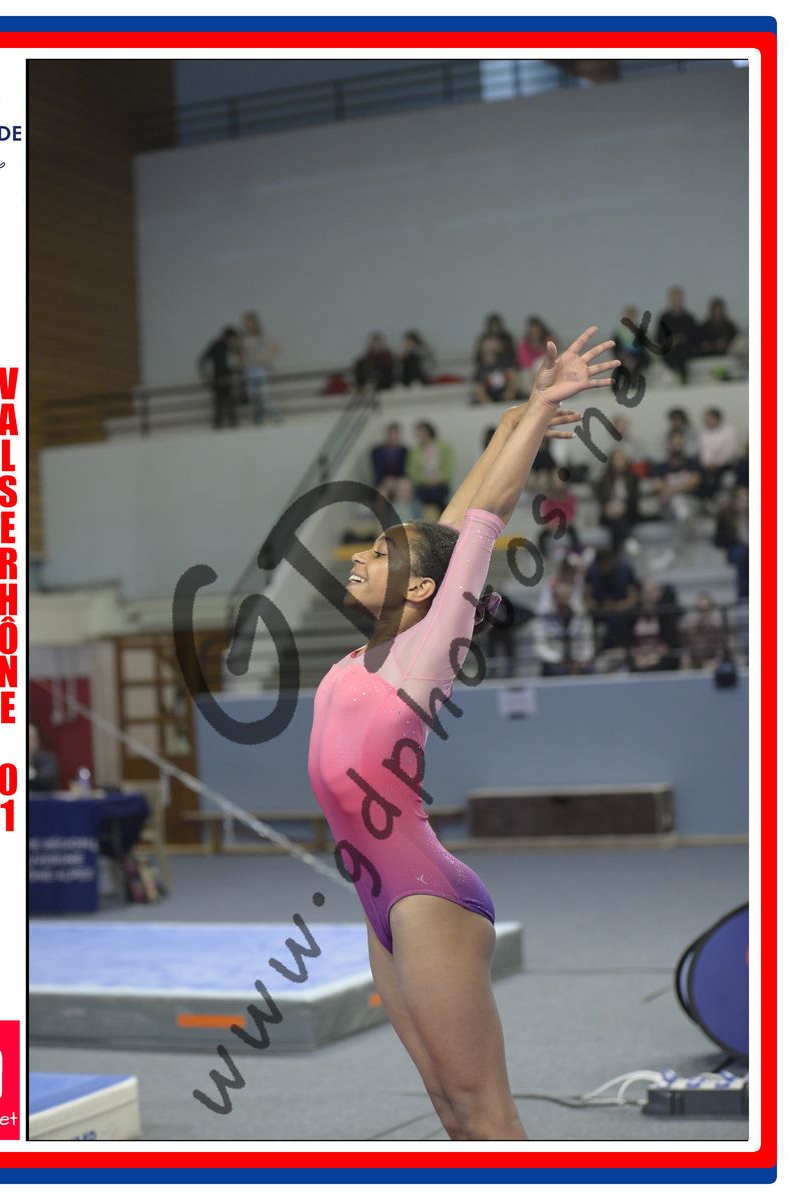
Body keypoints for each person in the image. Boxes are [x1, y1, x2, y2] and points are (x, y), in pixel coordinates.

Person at [308, 325, 618, 1140]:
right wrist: (517, 414)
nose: (358, 558)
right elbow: (448, 531)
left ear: (419, 590)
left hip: (423, 894)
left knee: (484, 1111)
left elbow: (479, 523)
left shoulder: (424, 655)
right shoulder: (374, 650)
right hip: (378, 901)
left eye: (379, 553)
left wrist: (543, 409)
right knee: (449, 1112)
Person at [650, 429, 703, 569]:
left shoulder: (692, 462)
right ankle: (687, 520)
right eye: (674, 442)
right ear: (669, 444)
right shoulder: (661, 466)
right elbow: (656, 485)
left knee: (681, 504)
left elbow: (694, 482)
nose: (677, 445)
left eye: (680, 441)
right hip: (669, 507)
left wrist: (671, 490)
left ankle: (672, 553)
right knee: (679, 506)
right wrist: (679, 488)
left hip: (691, 503)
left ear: (684, 443)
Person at [583, 546, 641, 667]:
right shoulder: (592, 571)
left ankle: (622, 652)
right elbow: (586, 598)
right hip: (600, 612)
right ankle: (595, 653)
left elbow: (633, 599)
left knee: (619, 619)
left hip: (622, 612)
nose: (604, 568)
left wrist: (616, 607)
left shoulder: (625, 570)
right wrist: (599, 607)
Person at [533, 576, 595, 676]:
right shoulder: (544, 618)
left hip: (578, 661)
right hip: (555, 662)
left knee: (590, 669)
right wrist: (558, 659)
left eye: (567, 597)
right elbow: (540, 647)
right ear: (554, 598)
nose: (564, 601)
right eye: (560, 597)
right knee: (555, 670)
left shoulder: (582, 616)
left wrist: (580, 659)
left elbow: (588, 643)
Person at [627, 579, 681, 672]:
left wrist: (656, 656)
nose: (648, 595)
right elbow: (627, 641)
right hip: (638, 658)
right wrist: (637, 657)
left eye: (651, 591)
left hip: (660, 658)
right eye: (645, 592)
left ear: (658, 594)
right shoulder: (632, 615)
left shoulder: (667, 614)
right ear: (641, 594)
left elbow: (670, 641)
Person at [594, 448, 641, 553]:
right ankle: (628, 538)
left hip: (627, 513)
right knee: (614, 519)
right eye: (618, 460)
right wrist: (608, 508)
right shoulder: (604, 479)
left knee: (617, 521)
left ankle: (615, 554)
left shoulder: (633, 478)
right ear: (612, 462)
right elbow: (602, 500)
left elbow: (634, 499)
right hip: (610, 514)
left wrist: (623, 508)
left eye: (623, 460)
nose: (621, 463)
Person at [240, 311, 281, 424]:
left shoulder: (261, 335)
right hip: (249, 368)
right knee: (252, 395)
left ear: (255, 323)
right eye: (246, 322)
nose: (247, 324)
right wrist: (243, 364)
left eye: (249, 322)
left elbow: (275, 347)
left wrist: (266, 358)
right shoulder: (244, 337)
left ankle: (275, 414)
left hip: (259, 368)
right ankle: (259, 417)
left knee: (263, 395)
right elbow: (242, 352)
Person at [407, 421, 455, 518]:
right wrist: (426, 480)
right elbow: (412, 472)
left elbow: (448, 467)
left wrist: (438, 479)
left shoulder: (444, 447)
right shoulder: (415, 451)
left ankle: (443, 520)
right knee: (418, 498)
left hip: (440, 483)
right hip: (422, 485)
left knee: (439, 495)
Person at [198, 326, 242, 429]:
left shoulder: (233, 348)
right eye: (234, 339)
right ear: (229, 338)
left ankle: (228, 421)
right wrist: (206, 376)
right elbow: (203, 360)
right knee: (221, 401)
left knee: (227, 400)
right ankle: (223, 422)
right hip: (219, 376)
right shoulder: (218, 346)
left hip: (226, 377)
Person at [371, 422, 415, 523]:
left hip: (399, 480)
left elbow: (404, 469)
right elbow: (377, 470)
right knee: (382, 493)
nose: (393, 437)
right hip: (383, 482)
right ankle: (382, 522)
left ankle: (404, 520)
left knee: (404, 488)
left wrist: (395, 480)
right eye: (391, 434)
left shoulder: (404, 450)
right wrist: (386, 480)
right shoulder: (376, 451)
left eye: (395, 434)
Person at [655, 286, 698, 385]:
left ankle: (680, 374)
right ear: (670, 300)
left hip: (685, 349)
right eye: (675, 299)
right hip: (669, 350)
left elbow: (695, 336)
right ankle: (679, 374)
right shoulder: (664, 318)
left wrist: (681, 339)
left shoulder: (689, 318)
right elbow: (659, 338)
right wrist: (671, 340)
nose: (677, 302)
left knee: (681, 351)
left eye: (679, 299)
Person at [697, 406, 739, 502]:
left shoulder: (729, 430)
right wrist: (708, 463)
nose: (707, 421)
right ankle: (706, 501)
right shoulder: (704, 433)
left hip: (726, 465)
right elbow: (704, 451)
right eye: (705, 419)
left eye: (709, 419)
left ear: (718, 418)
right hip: (708, 466)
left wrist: (717, 463)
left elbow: (730, 451)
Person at [680, 592, 727, 670]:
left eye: (706, 610)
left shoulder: (717, 625)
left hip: (712, 662)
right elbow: (686, 647)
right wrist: (686, 660)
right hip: (694, 662)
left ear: (711, 609)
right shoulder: (690, 625)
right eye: (700, 610)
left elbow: (720, 649)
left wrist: (715, 661)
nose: (703, 613)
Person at [472, 334, 518, 405]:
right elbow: (479, 390)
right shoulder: (480, 370)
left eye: (494, 341)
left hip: (507, 401)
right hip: (490, 404)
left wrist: (508, 396)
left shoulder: (505, 363)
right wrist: (490, 405)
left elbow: (513, 379)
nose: (492, 345)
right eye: (489, 341)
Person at [29, 722, 60, 791]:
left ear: (37, 740)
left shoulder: (47, 759)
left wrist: (32, 775)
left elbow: (47, 778)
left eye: (31, 738)